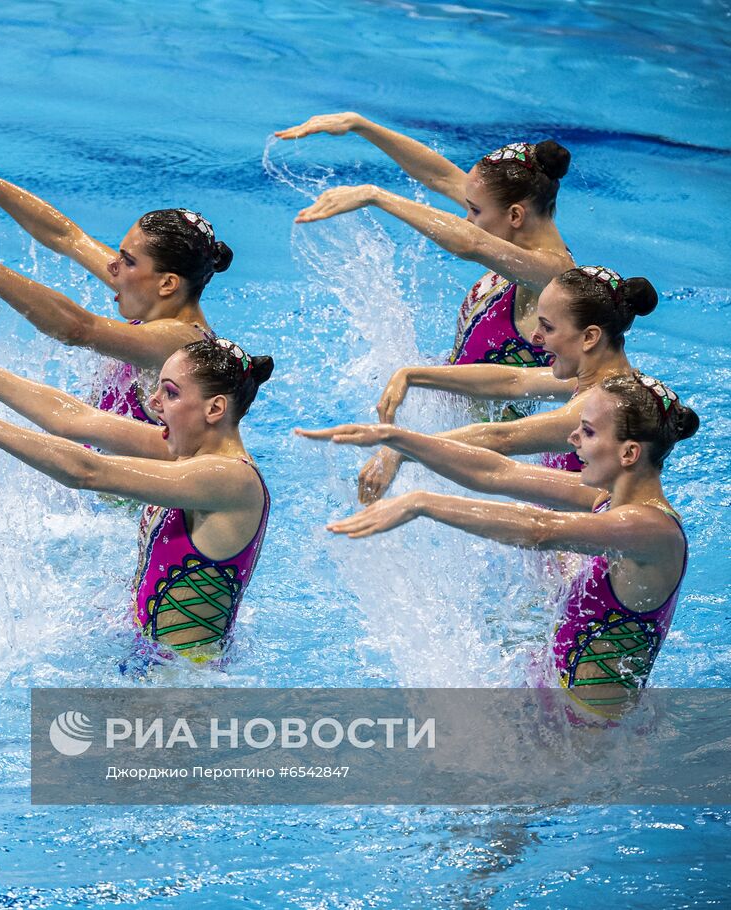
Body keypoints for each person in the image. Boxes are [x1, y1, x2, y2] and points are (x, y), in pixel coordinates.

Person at [298, 371, 697, 715]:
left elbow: (540, 528)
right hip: (555, 705)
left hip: (586, 737)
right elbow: (497, 471)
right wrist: (400, 441)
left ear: (629, 452)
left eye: (588, 432)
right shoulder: (609, 500)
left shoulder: (650, 531)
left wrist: (424, 502)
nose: (572, 437)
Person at [0, 338, 272, 665]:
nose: (153, 402)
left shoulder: (230, 479)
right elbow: (74, 420)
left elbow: (89, 471)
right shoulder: (185, 455)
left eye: (170, 393)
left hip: (183, 686)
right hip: (150, 662)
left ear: (215, 408)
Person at [0, 160, 231, 424]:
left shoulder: (178, 342)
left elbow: (77, 329)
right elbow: (67, 237)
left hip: (125, 514)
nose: (112, 267)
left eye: (126, 260)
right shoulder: (157, 300)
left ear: (168, 282)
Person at [276, 113, 574, 368]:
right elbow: (440, 177)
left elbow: (470, 244)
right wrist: (360, 125)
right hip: (444, 417)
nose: (468, 217)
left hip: (476, 434)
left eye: (475, 210)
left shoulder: (553, 277)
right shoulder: (511, 231)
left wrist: (376, 196)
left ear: (515, 215)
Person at [354, 266, 659, 502]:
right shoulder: (607, 382)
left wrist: (401, 450)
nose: (536, 337)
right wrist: (412, 374)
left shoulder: (597, 410)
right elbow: (512, 380)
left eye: (548, 327)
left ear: (590, 337)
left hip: (574, 565)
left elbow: (503, 437)